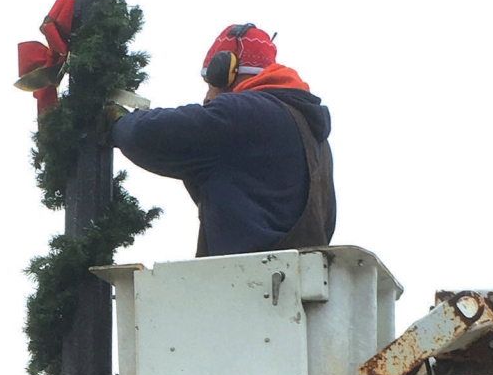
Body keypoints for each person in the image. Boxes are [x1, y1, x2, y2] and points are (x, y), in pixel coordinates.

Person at [110, 22, 336, 257]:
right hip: (299, 285)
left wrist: (118, 122)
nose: (207, 97)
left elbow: (145, 135)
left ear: (224, 71)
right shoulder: (313, 136)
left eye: (210, 84)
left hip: (247, 284)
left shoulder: (242, 113)